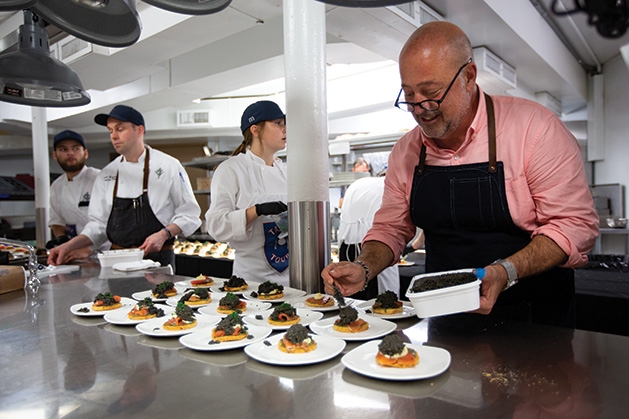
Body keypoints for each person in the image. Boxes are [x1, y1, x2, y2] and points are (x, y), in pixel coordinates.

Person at [322, 21, 599, 328]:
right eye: (409, 95)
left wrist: (506, 271)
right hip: (445, 318)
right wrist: (364, 266)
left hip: (535, 318)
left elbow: (575, 225)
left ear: (469, 76)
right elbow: (391, 229)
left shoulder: (535, 129)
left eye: (431, 93)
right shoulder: (406, 152)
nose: (420, 108)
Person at [47, 105, 201, 268]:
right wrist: (68, 246)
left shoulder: (168, 165)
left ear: (139, 130)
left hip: (157, 260)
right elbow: (98, 225)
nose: (114, 136)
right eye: (110, 130)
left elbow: (190, 213)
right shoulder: (107, 174)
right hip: (117, 261)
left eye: (120, 129)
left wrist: (164, 234)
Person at [205, 101, 289, 285]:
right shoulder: (231, 169)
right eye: (278, 123)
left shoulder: (287, 172)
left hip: (292, 282)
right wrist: (256, 211)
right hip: (250, 282)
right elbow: (215, 226)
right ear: (255, 130)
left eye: (285, 124)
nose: (285, 129)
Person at [47, 130, 109, 257]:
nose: (70, 153)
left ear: (85, 153)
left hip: (104, 252)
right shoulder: (56, 186)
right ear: (55, 155)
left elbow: (108, 223)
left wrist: (88, 249)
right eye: (63, 149)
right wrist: (62, 240)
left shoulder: (100, 179)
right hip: (73, 253)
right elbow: (57, 222)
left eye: (75, 148)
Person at [337, 175, 400, 299]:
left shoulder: (359, 183)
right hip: (376, 244)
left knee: (351, 298)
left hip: (347, 244)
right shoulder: (394, 186)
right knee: (383, 300)